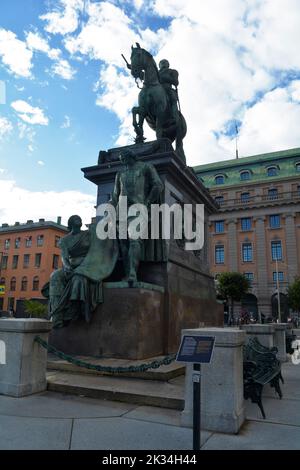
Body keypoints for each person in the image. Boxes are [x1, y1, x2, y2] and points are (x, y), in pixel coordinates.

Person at [42, 215, 118, 328]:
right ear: (71, 223)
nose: (79, 220)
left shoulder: (88, 234)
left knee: (78, 279)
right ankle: (57, 316)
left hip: (88, 265)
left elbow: (100, 241)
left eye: (80, 219)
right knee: (55, 276)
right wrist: (67, 266)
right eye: (76, 219)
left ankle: (74, 311)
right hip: (71, 266)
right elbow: (64, 256)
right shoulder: (64, 240)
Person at [111, 149, 165, 283]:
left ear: (131, 156)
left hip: (138, 207)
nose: (123, 161)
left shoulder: (146, 167)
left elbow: (158, 185)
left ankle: (133, 273)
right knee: (123, 244)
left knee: (135, 240)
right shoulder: (120, 173)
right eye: (121, 159)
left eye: (124, 158)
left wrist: (147, 202)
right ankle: (127, 273)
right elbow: (115, 194)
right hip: (121, 210)